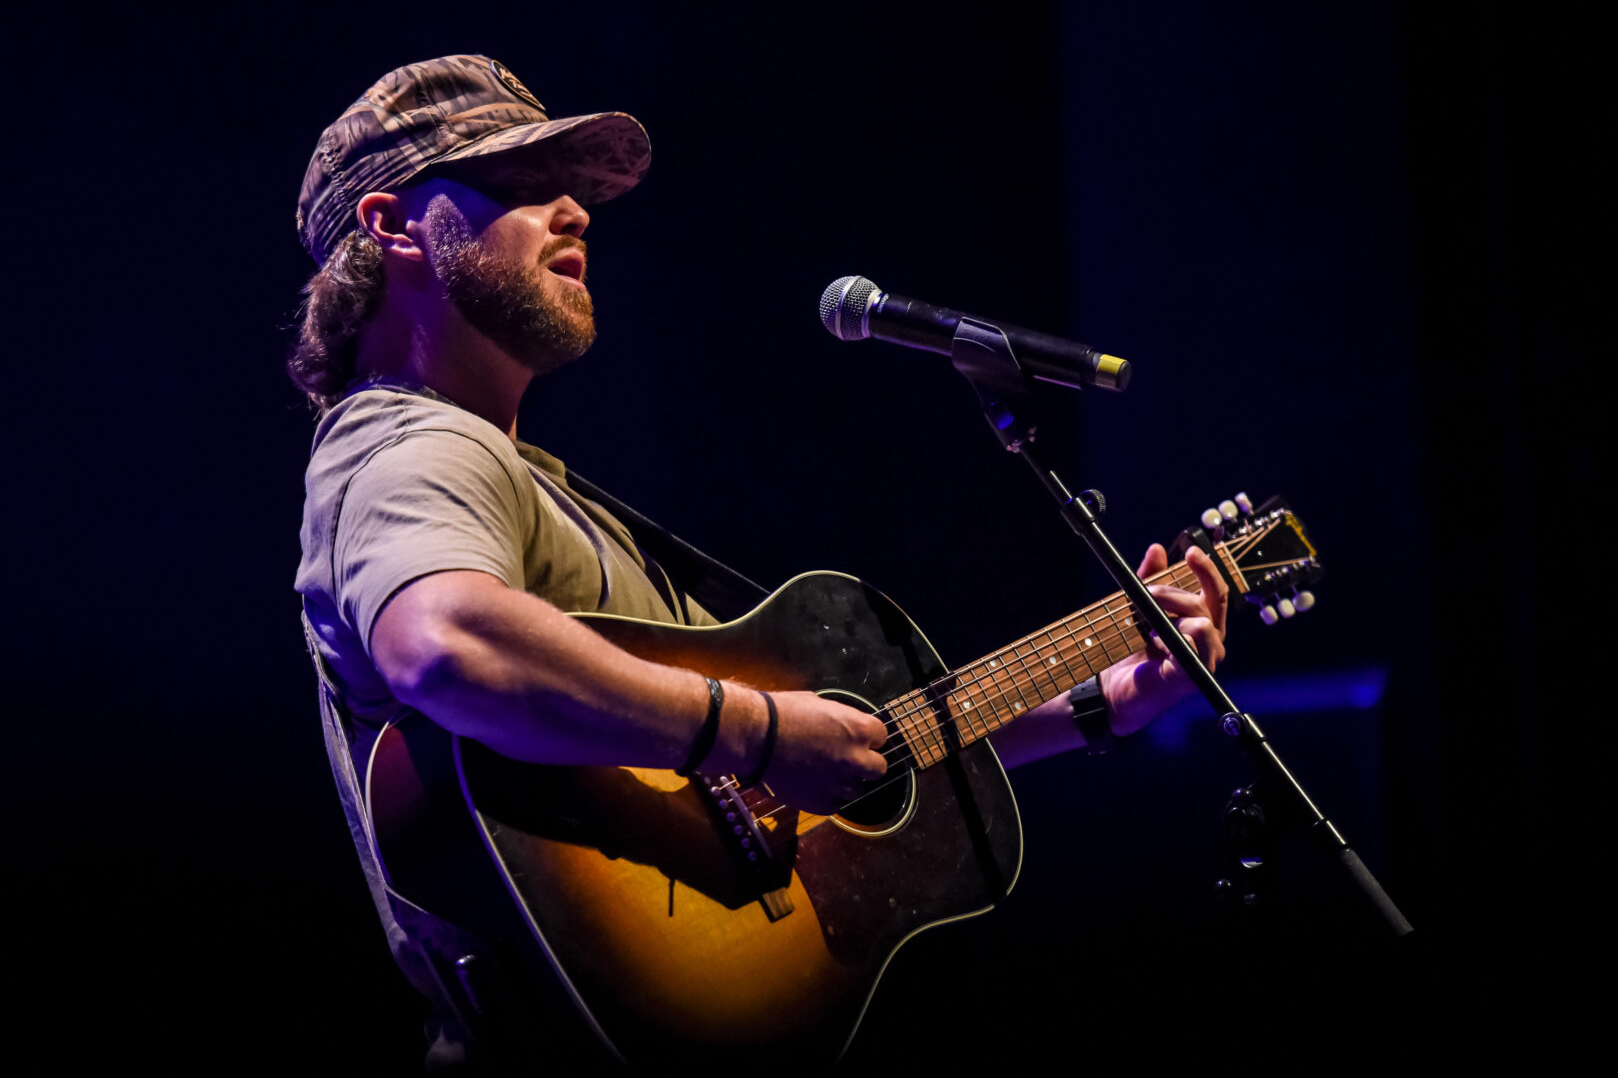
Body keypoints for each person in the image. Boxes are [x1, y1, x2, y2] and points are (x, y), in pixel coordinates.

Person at [292, 54, 1228, 1072]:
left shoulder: (530, 485)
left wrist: (1099, 702)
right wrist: (755, 728)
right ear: (391, 227)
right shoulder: (409, 443)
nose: (575, 213)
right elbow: (444, 646)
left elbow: (843, 757)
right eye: (521, 184)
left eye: (574, 189)